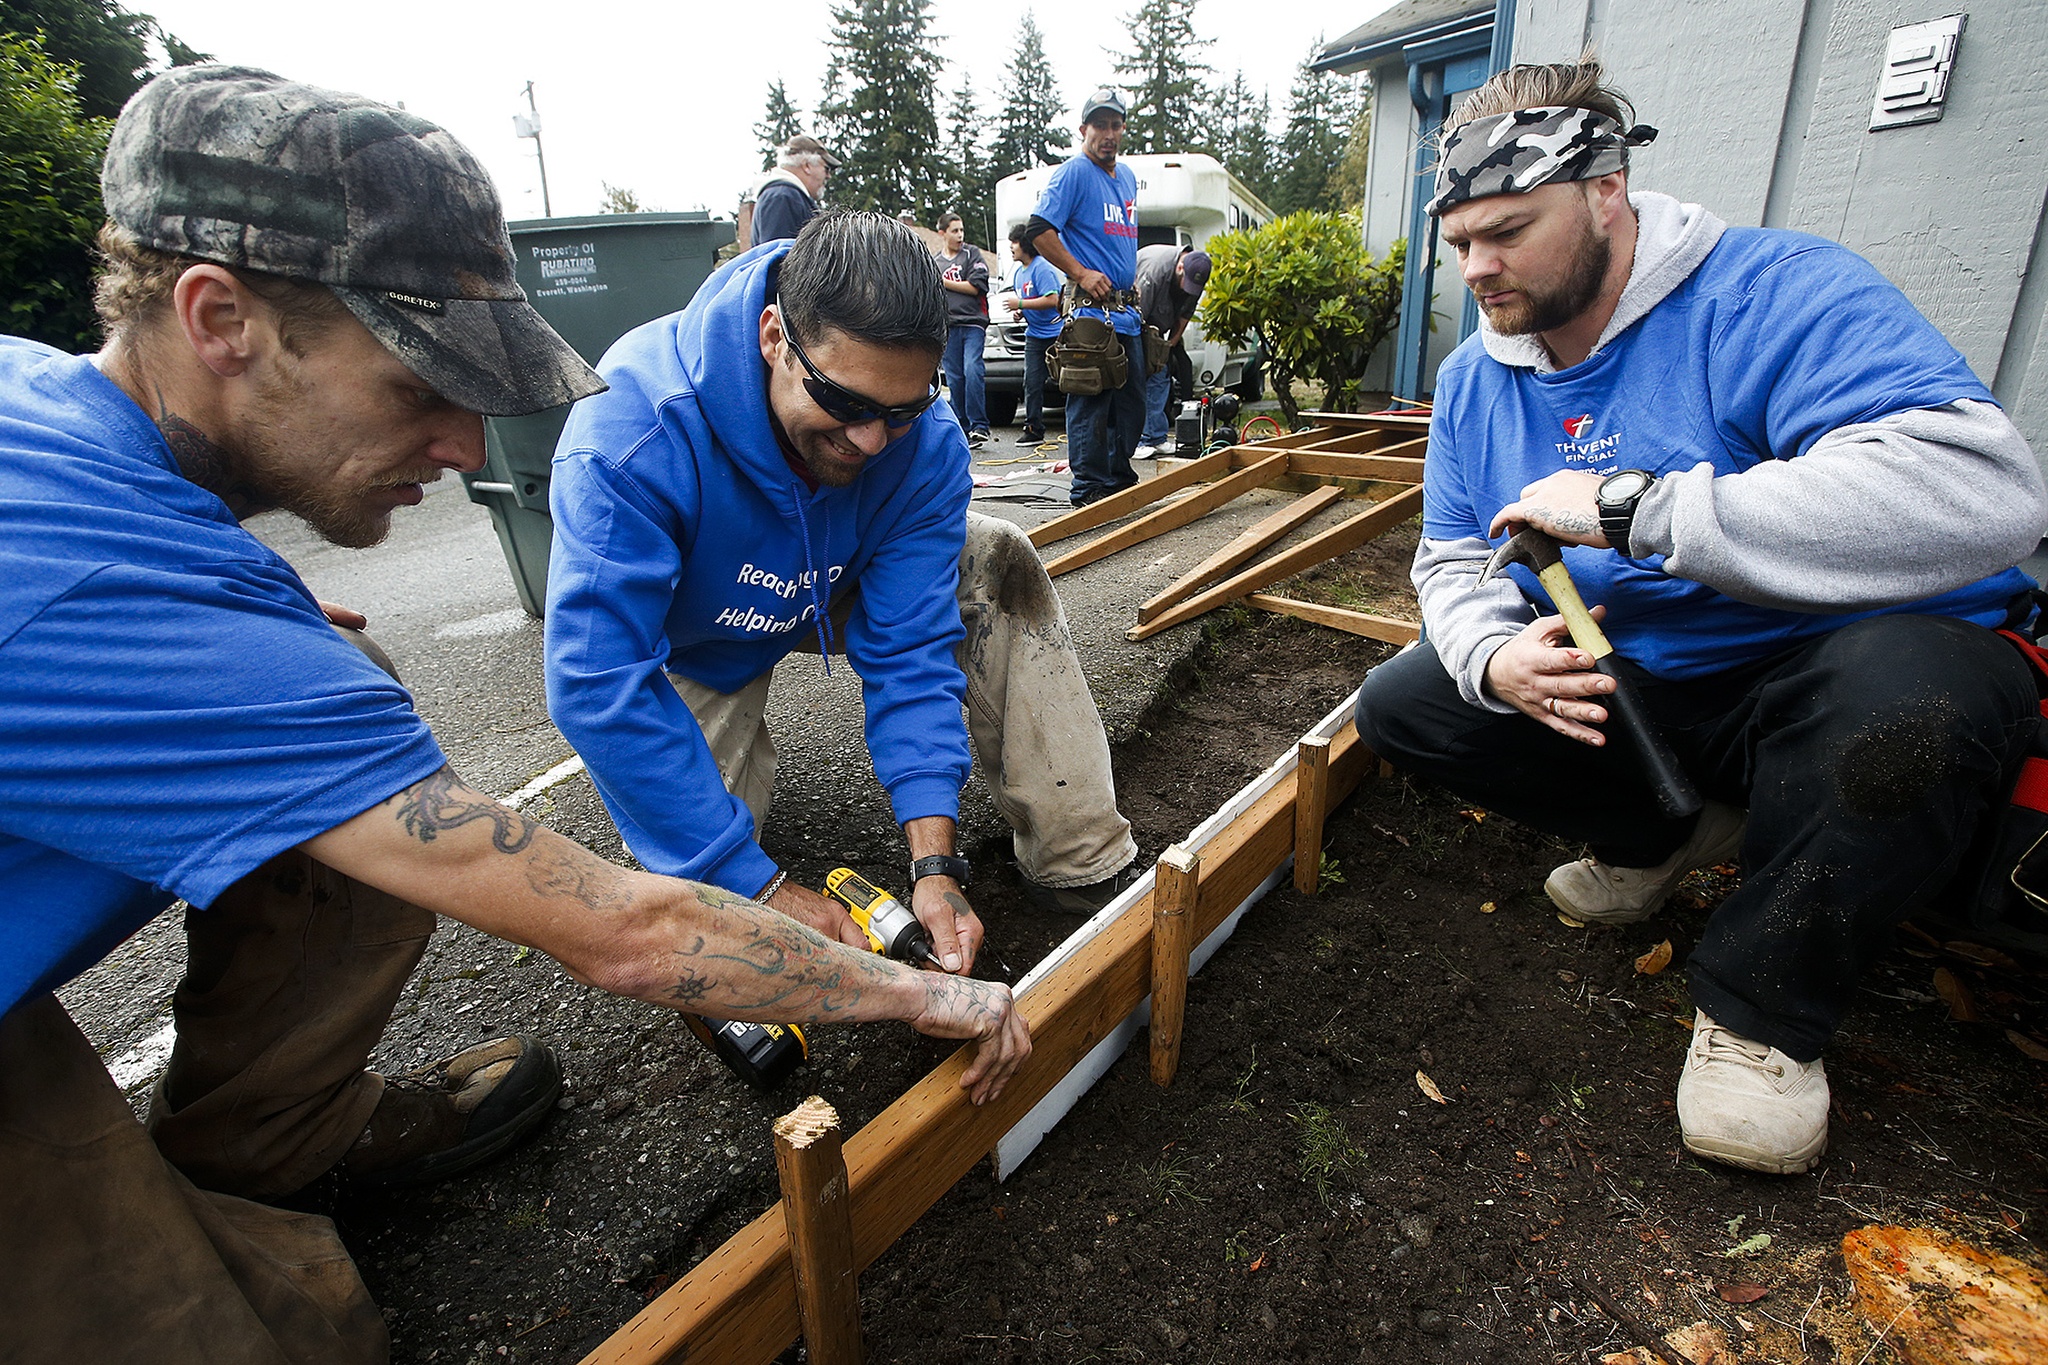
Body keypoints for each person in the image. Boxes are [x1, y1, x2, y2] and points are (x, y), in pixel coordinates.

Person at [0, 66, 1029, 1364]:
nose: (462, 449)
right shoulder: (93, 586)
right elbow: (627, 931)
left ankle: (264, 1140)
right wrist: (936, 1004)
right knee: (280, 1329)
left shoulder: (58, 430)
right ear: (221, 319)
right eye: (419, 388)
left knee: (358, 727)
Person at [1352, 59, 2046, 1177]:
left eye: (1509, 231)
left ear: (1605, 193)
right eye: (1461, 238)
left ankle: (1763, 1019)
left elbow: (1984, 488)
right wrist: (1488, 652)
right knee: (1413, 702)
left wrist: (1640, 508)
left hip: (1832, 665)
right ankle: (1664, 832)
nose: (1476, 267)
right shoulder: (1479, 375)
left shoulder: (1768, 295)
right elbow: (1449, 554)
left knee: (1898, 699)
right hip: (1657, 678)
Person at [544, 211, 1142, 978]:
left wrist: (936, 866)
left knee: (995, 554)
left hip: (843, 578)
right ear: (773, 338)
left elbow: (913, 649)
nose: (869, 441)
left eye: (900, 409)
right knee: (700, 905)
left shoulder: (919, 444)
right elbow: (598, 679)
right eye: (847, 402)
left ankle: (1080, 859)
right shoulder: (631, 432)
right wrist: (752, 880)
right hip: (700, 637)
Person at [1024, 88, 1145, 506]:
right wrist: (1079, 272)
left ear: (1123, 128)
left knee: (1131, 404)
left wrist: (1131, 278)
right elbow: (1037, 231)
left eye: (1115, 125)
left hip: (1125, 311)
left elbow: (1117, 238)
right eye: (1100, 125)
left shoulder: (1126, 178)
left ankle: (1116, 477)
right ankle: (1089, 489)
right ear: (1084, 130)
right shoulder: (1073, 173)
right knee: (1090, 398)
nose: (1108, 133)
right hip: (1090, 311)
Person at [1132, 243, 1211, 458]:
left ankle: (1155, 437)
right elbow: (1137, 315)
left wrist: (1169, 345)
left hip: (1158, 331)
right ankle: (1135, 441)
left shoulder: (1197, 272)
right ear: (1180, 268)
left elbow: (1185, 313)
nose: (1188, 290)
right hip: (1137, 325)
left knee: (1161, 376)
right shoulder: (1154, 271)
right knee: (1137, 379)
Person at [936, 211, 991, 446]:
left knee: (972, 370)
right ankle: (962, 425)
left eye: (962, 230)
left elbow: (976, 286)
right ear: (942, 233)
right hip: (948, 327)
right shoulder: (935, 261)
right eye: (955, 231)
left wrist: (944, 282)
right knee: (955, 378)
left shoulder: (972, 254)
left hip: (972, 323)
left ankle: (980, 425)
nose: (960, 235)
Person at [1006, 221, 1064, 445]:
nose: (1011, 247)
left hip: (1055, 333)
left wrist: (1020, 302)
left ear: (1026, 245)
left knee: (1066, 382)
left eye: (1015, 242)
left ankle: (1077, 425)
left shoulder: (1042, 267)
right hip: (1034, 335)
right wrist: (1021, 312)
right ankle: (1033, 428)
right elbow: (1031, 302)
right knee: (1031, 382)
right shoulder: (1019, 273)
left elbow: (1053, 299)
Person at [749, 134, 840, 247]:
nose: (828, 176)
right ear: (807, 166)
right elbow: (778, 258)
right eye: (826, 169)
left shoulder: (787, 197)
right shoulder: (782, 198)